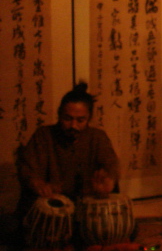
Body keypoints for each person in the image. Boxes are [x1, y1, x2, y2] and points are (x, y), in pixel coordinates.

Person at [16, 82, 120, 217]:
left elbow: (110, 164)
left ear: (89, 118)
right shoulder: (44, 135)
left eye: (80, 120)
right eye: (67, 118)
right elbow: (27, 168)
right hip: (52, 207)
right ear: (59, 114)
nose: (73, 125)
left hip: (86, 208)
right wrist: (37, 183)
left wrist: (108, 181)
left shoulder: (97, 137)